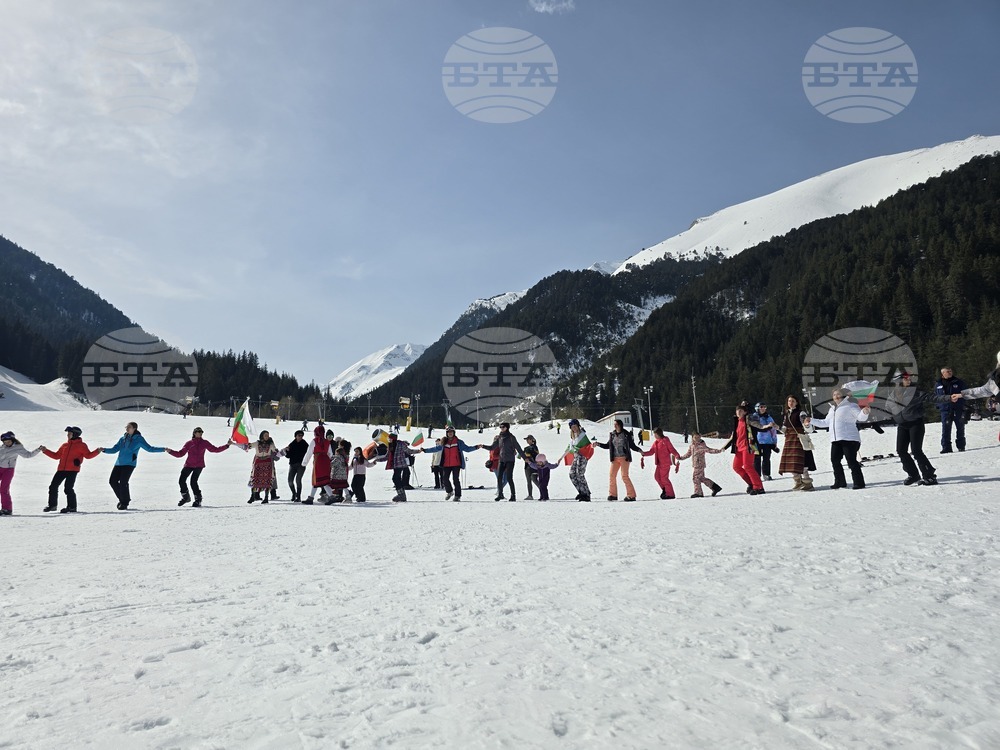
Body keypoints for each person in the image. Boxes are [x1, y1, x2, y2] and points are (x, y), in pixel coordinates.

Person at [888, 371, 951, 486]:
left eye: (909, 378)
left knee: (916, 451)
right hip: (902, 425)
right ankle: (913, 475)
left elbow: (933, 398)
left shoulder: (915, 392)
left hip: (915, 424)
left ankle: (930, 476)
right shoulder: (893, 394)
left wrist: (949, 397)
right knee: (901, 451)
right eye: (906, 378)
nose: (909, 380)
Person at [808, 387, 871, 490]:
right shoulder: (832, 409)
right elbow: (825, 423)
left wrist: (865, 412)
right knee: (835, 460)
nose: (836, 396)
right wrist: (811, 420)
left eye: (838, 394)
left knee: (851, 461)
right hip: (836, 439)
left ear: (843, 396)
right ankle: (840, 482)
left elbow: (860, 417)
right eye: (834, 395)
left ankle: (859, 483)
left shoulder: (850, 406)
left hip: (849, 439)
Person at [102, 421, 166, 510]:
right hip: (119, 463)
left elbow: (149, 448)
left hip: (129, 464)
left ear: (134, 428)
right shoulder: (123, 438)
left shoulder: (139, 439)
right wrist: (104, 450)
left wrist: (163, 449)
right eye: (126, 427)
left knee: (123, 482)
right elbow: (115, 449)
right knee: (112, 481)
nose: (127, 428)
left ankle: (124, 503)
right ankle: (123, 499)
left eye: (129, 427)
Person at [40, 426, 103, 513]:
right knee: (53, 487)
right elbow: (56, 456)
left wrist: (97, 451)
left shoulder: (82, 445)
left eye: (69, 433)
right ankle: (52, 505)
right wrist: (45, 450)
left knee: (68, 489)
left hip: (72, 470)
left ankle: (72, 507)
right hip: (61, 469)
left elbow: (88, 455)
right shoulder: (64, 445)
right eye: (68, 433)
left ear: (75, 434)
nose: (67, 435)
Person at [167, 427, 232, 507]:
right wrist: (170, 452)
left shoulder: (204, 443)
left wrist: (227, 445)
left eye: (201, 432)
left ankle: (198, 499)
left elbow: (215, 449)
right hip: (189, 465)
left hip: (199, 465)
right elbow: (180, 454)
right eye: (198, 432)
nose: (200, 433)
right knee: (181, 481)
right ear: (194, 433)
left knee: (193, 482)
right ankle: (186, 497)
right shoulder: (189, 443)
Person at [421, 426, 480, 501]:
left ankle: (457, 496)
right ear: (447, 433)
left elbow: (467, 449)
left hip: (456, 464)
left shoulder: (459, 442)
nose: (450, 433)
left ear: (454, 433)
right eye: (449, 432)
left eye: (451, 432)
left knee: (456, 480)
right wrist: (425, 450)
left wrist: (476, 447)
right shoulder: (444, 442)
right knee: (445, 479)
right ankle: (449, 491)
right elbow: (435, 449)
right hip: (446, 464)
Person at [722, 405, 765, 495]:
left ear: (745, 412)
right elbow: (734, 437)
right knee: (736, 467)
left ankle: (758, 487)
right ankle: (751, 483)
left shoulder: (748, 420)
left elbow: (758, 426)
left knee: (748, 466)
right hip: (739, 448)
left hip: (748, 446)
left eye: (741, 411)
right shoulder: (737, 422)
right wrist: (725, 447)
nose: (738, 412)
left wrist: (767, 426)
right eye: (737, 411)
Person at [595, 419, 643, 501]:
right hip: (615, 458)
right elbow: (608, 445)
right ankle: (613, 495)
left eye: (616, 424)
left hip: (624, 458)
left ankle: (631, 495)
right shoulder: (612, 434)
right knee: (612, 476)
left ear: (620, 425)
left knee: (624, 476)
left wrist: (640, 450)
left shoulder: (626, 434)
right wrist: (598, 444)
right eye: (614, 424)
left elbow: (632, 445)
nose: (614, 426)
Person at [777, 395, 816, 491]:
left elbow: (807, 425)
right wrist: (776, 427)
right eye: (789, 401)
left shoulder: (801, 413)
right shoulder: (787, 414)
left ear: (797, 402)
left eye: (793, 401)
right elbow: (784, 429)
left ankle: (807, 483)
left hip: (799, 439)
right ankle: (798, 482)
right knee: (792, 463)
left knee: (802, 462)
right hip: (789, 440)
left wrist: (807, 425)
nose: (790, 403)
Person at [0, 431, 42, 516]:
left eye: (8, 441)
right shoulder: (2, 447)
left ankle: (7, 509)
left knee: (4, 489)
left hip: (8, 470)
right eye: (4, 442)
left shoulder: (18, 447)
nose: (6, 443)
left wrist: (38, 450)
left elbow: (28, 455)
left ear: (12, 440)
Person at [484, 422, 525, 502]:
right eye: (500, 427)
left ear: (507, 428)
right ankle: (500, 494)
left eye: (503, 427)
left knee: (509, 478)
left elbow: (518, 448)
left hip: (510, 460)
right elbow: (492, 447)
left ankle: (513, 496)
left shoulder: (511, 437)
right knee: (499, 477)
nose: (501, 428)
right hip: (502, 460)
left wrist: (524, 457)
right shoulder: (499, 437)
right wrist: (483, 446)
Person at [676, 432, 723, 497]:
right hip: (696, 464)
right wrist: (681, 458)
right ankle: (715, 487)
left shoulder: (701, 445)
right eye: (695, 437)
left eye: (698, 437)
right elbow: (688, 454)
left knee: (695, 478)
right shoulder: (692, 446)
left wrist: (719, 451)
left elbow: (709, 450)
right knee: (701, 478)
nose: (697, 439)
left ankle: (698, 493)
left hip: (699, 464)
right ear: (692, 437)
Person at [641, 426, 682, 499]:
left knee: (664, 478)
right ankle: (665, 490)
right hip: (659, 464)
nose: (654, 436)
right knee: (657, 477)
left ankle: (670, 494)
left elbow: (671, 449)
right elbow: (651, 451)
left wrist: (677, 455)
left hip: (665, 463)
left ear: (659, 434)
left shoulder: (665, 440)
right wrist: (644, 453)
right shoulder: (656, 442)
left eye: (655, 434)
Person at [377, 432, 420, 502]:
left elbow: (409, 451)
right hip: (395, 465)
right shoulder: (390, 446)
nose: (388, 439)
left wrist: (418, 451)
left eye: (390, 438)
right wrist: (378, 460)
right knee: (396, 479)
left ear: (393, 438)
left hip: (400, 464)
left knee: (395, 478)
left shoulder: (401, 444)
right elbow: (387, 456)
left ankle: (401, 495)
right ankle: (401, 494)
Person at [935, 366, 967, 453]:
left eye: (950, 371)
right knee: (945, 429)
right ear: (943, 373)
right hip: (945, 409)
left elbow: (965, 393)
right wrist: (939, 406)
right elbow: (936, 396)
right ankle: (946, 447)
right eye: (947, 371)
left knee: (960, 427)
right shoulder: (938, 384)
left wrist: (962, 404)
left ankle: (961, 446)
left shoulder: (958, 382)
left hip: (957, 408)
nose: (949, 373)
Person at [299, 426, 333, 504]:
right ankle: (312, 497)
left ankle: (329, 497)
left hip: (318, 461)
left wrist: (304, 463)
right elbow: (330, 453)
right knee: (324, 480)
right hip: (326, 461)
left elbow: (309, 453)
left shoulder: (314, 441)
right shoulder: (327, 442)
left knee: (317, 479)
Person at [242, 430, 279, 504]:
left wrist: (282, 451)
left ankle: (266, 498)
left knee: (267, 480)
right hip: (258, 463)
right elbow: (248, 446)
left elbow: (276, 451)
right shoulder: (257, 443)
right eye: (266, 435)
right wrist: (237, 444)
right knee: (254, 479)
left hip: (268, 463)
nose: (267, 437)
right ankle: (252, 496)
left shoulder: (270, 444)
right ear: (262, 436)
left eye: (268, 435)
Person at [565, 418, 592, 502]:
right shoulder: (574, 436)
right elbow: (571, 447)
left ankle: (586, 494)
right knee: (572, 474)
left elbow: (581, 446)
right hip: (576, 457)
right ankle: (581, 492)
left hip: (582, 456)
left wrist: (574, 449)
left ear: (578, 426)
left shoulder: (582, 435)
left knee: (579, 474)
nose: (574, 428)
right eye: (572, 427)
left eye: (575, 426)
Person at [750, 403, 779, 481]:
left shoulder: (768, 417)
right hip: (757, 441)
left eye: (764, 407)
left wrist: (774, 441)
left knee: (766, 458)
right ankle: (757, 475)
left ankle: (766, 474)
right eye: (761, 407)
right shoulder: (754, 417)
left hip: (767, 441)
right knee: (756, 459)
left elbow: (773, 430)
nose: (763, 408)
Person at [280, 430, 309, 502]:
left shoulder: (305, 444)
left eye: (302, 435)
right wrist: (286, 451)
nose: (300, 437)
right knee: (290, 481)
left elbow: (308, 454)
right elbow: (288, 456)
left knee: (298, 480)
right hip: (292, 464)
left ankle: (298, 497)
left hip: (301, 465)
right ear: (295, 436)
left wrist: (305, 462)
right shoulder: (292, 444)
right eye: (299, 435)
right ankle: (294, 493)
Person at [522, 434, 541, 499]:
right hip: (536, 465)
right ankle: (542, 492)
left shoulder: (528, 448)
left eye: (528, 439)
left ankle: (530, 495)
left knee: (529, 480)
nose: (527, 441)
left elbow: (521, 456)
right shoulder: (535, 447)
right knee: (534, 479)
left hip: (529, 466)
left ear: (531, 440)